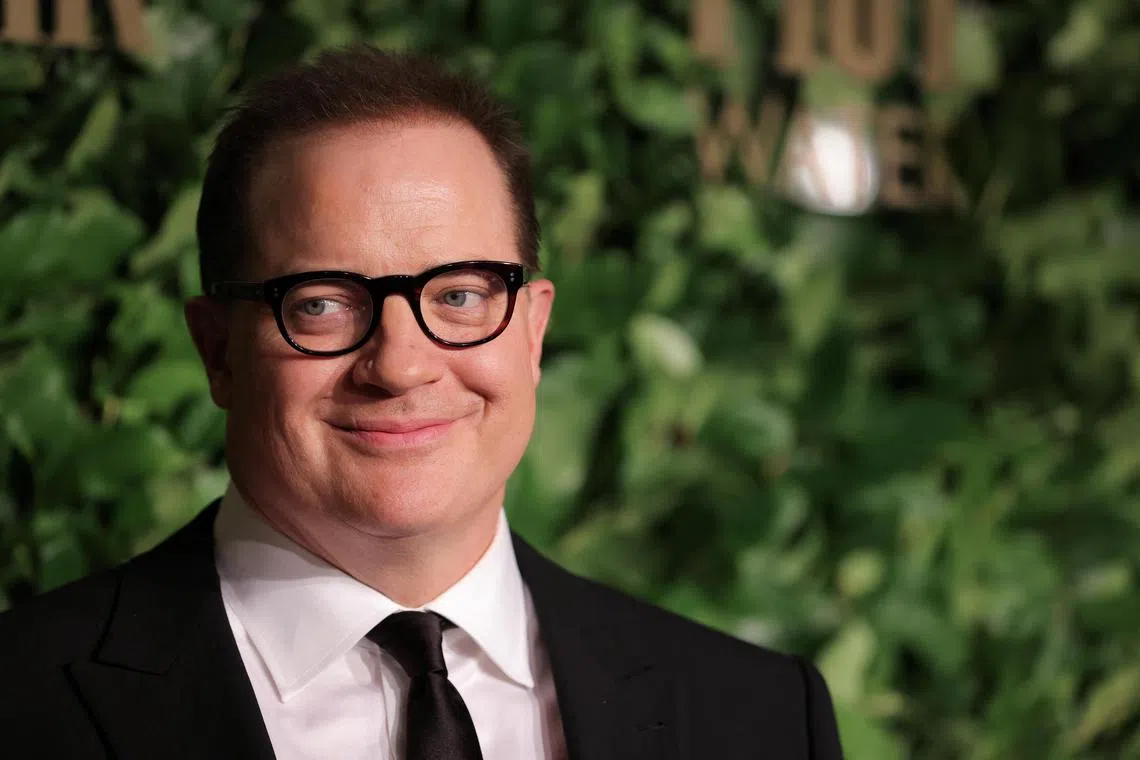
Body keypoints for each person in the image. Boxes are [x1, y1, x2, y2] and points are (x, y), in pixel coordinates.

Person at [0, 47, 844, 759]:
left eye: (462, 296)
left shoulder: (760, 720)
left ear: (533, 332)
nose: (401, 367)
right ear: (218, 350)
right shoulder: (22, 701)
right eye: (322, 302)